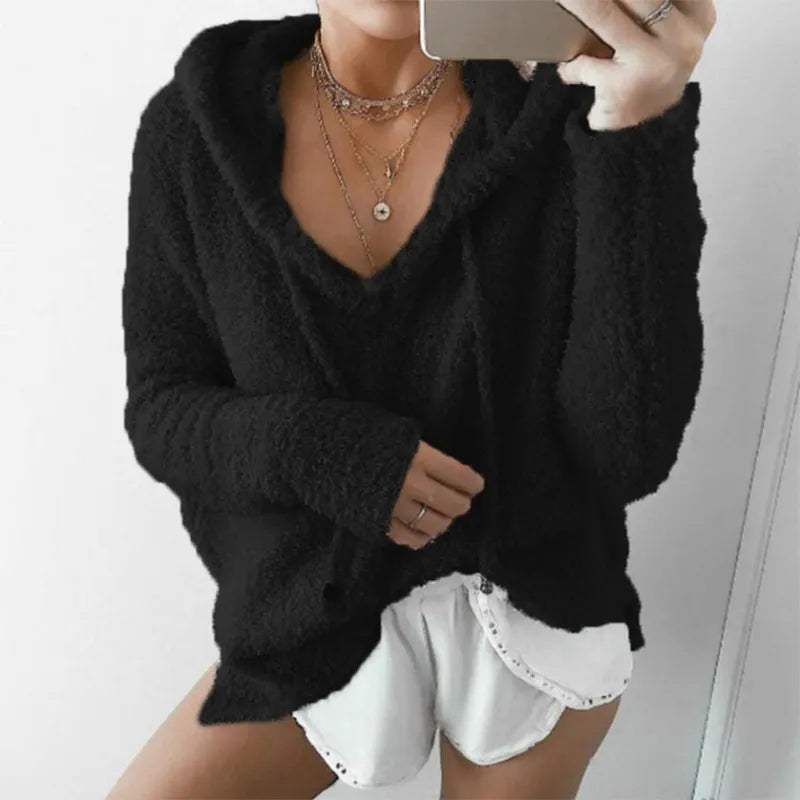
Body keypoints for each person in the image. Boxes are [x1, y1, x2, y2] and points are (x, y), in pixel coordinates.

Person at [107, 0, 716, 797]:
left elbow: (625, 454)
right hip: (312, 607)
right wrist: (317, 451)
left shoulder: (571, 112)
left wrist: (638, 127)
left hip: (536, 604)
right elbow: (163, 408)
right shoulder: (198, 129)